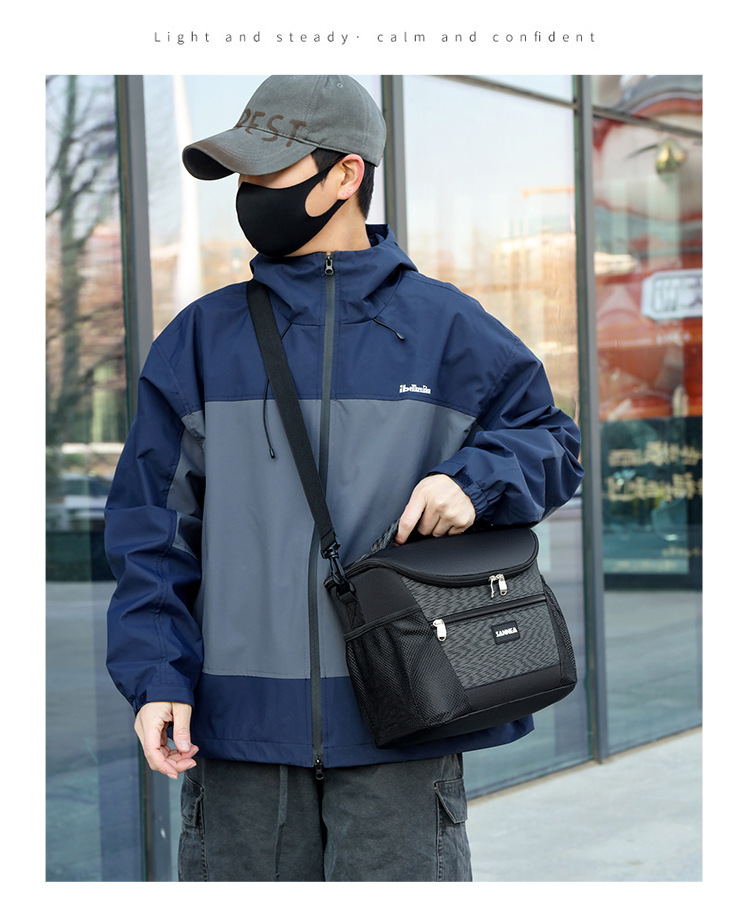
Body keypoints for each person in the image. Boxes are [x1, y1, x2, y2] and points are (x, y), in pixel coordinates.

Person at [105, 74, 584, 882]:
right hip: (239, 741)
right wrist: (156, 676)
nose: (249, 193)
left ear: (346, 175)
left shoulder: (446, 328)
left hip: (406, 721)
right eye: (242, 176)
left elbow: (554, 443)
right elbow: (151, 527)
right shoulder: (199, 340)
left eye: (268, 172)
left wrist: (474, 482)